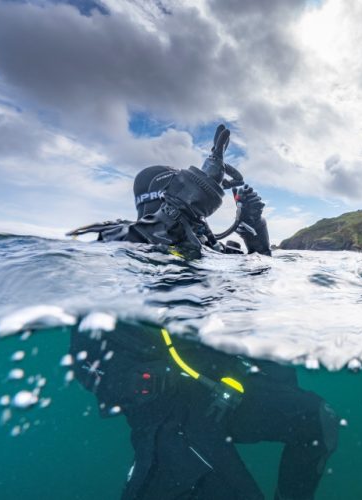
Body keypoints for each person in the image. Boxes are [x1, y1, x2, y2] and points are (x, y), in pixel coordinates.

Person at [67, 125, 339, 500]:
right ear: (162, 202)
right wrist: (182, 204)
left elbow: (255, 304)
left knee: (316, 417)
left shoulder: (209, 252)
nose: (197, 221)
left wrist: (257, 240)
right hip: (168, 419)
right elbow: (89, 364)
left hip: (222, 399)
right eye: (181, 201)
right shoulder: (118, 242)